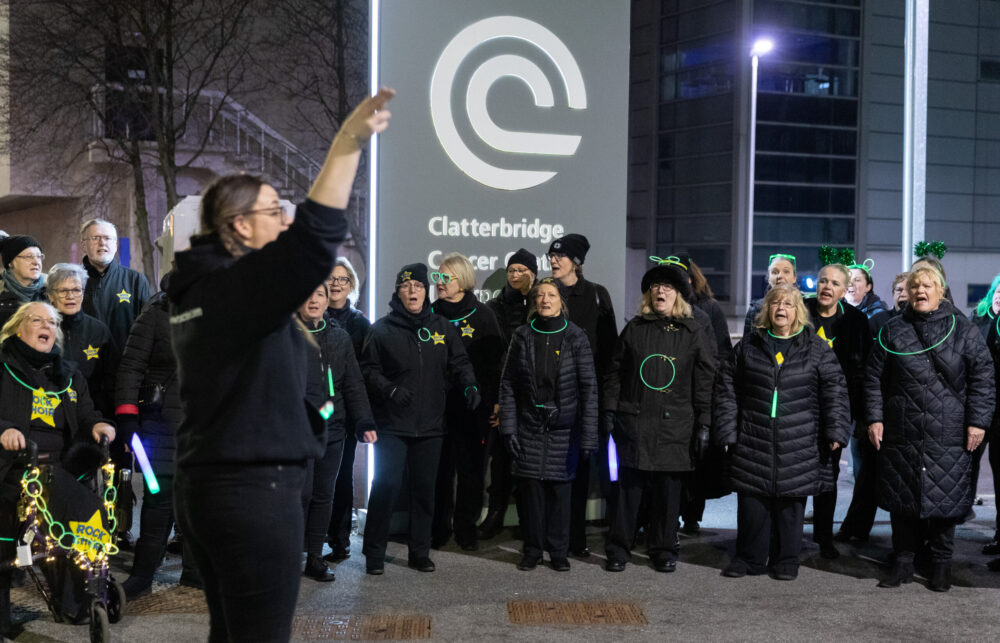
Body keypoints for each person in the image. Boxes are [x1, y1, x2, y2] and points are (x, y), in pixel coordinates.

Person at [166, 88, 393, 641]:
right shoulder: (234, 289)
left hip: (210, 486)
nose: (285, 218)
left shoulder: (197, 287)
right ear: (240, 226)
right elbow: (315, 239)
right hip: (252, 493)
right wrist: (348, 142)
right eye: (274, 210)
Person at [866, 265, 994, 591]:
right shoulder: (892, 331)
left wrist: (978, 423)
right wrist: (874, 418)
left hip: (948, 430)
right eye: (915, 286)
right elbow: (873, 380)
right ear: (907, 292)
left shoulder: (963, 330)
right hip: (901, 429)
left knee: (946, 500)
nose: (921, 290)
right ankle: (904, 562)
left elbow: (983, 380)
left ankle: (940, 564)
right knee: (902, 499)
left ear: (940, 290)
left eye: (928, 285)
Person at [715, 284, 850, 581]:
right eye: (775, 303)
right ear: (767, 310)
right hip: (753, 436)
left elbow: (835, 391)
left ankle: (787, 560)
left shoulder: (817, 349)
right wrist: (726, 430)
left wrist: (836, 430)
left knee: (791, 505)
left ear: (797, 311)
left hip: (800, 439)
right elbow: (727, 390)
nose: (781, 309)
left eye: (788, 304)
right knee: (753, 503)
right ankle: (749, 557)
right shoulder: (748, 346)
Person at [0, 301, 116, 633]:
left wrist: (100, 426)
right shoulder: (3, 366)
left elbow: (88, 415)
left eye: (52, 322)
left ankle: (78, 603)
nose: (47, 326)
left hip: (58, 470)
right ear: (18, 327)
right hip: (12, 467)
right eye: (38, 320)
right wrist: (4, 430)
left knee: (83, 515)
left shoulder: (69, 374)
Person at [360, 263, 478, 575]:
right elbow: (368, 370)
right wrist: (390, 389)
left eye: (418, 287)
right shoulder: (381, 329)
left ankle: (419, 552)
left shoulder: (441, 326)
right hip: (393, 425)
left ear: (426, 292)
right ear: (397, 292)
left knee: (425, 491)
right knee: (385, 486)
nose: (413, 292)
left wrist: (470, 384)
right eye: (406, 287)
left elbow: (459, 361)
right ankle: (374, 553)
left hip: (431, 426)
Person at [602, 259, 715, 572]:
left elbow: (705, 380)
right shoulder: (635, 329)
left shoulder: (693, 332)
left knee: (668, 494)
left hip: (676, 426)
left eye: (667, 287)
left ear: (678, 294)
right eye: (655, 286)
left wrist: (705, 423)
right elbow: (614, 372)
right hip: (634, 423)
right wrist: (610, 409)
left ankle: (664, 549)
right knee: (628, 492)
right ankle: (618, 548)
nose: (660, 291)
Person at [499, 278, 598, 571]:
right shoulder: (522, 335)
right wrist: (508, 427)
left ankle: (558, 552)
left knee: (559, 495)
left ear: (561, 301)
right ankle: (532, 550)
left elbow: (589, 389)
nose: (544, 299)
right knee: (531, 496)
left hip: (564, 431)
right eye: (540, 295)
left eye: (551, 295)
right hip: (529, 426)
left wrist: (589, 437)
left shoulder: (576, 336)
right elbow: (507, 384)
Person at [115, 272, 201, 598]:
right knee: (158, 501)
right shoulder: (156, 313)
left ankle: (195, 575)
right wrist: (127, 418)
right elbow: (131, 367)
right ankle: (142, 577)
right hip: (160, 426)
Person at [297, 283, 376, 582]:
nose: (314, 299)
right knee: (299, 494)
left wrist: (365, 422)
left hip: (334, 429)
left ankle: (315, 557)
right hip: (299, 430)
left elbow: (354, 384)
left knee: (322, 495)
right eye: (308, 294)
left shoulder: (339, 337)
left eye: (319, 293)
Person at [548, 233, 616, 557]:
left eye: (560, 256)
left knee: (582, 473)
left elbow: (610, 351)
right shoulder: (544, 295)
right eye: (550, 255)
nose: (553, 260)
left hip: (588, 399)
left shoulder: (597, 296)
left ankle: (576, 539)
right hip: (551, 401)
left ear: (576, 261)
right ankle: (552, 539)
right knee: (552, 470)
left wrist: (605, 403)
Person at [430, 253, 504, 551]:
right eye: (438, 277)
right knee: (440, 471)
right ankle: (438, 527)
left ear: (462, 280)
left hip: (474, 408)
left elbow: (496, 362)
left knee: (471, 472)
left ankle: (465, 527)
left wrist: (495, 402)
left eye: (445, 277)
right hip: (438, 407)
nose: (439, 283)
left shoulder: (483, 314)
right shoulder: (430, 312)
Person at [802, 264, 869, 557]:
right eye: (823, 281)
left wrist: (856, 415)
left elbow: (862, 371)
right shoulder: (801, 311)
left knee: (826, 476)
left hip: (835, 410)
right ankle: (789, 536)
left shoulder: (856, 321)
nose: (827, 287)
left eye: (834, 283)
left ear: (845, 291)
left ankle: (823, 538)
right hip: (799, 408)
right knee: (795, 475)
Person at [480, 248, 537, 539]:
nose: (515, 275)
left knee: (530, 460)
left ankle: (530, 520)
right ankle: (496, 513)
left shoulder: (543, 303)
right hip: (503, 393)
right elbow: (491, 358)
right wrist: (496, 399)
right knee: (500, 459)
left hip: (535, 396)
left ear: (533, 273)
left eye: (521, 270)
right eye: (511, 270)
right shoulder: (494, 307)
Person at [324, 257, 372, 563]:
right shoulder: (310, 317)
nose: (336, 284)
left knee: (342, 478)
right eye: (331, 278)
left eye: (342, 279)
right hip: (314, 412)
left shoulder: (360, 324)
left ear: (351, 285)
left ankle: (339, 541)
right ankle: (312, 537)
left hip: (345, 413)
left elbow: (363, 372)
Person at [47, 263, 118, 417]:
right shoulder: (42, 329)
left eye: (76, 290)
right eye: (63, 290)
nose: (70, 296)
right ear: (50, 296)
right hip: (50, 413)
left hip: (92, 414)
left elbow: (112, 378)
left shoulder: (99, 330)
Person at [80, 219, 152, 350]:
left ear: (115, 244)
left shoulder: (135, 281)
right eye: (95, 238)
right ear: (84, 245)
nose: (102, 243)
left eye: (107, 238)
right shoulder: (72, 281)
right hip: (83, 366)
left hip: (124, 365)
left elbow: (148, 329)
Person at [969, 274, 1000, 560]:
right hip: (979, 404)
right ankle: (960, 509)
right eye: (999, 290)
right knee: (969, 459)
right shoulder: (978, 319)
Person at [743, 254, 797, 337]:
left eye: (786, 272)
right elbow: (747, 346)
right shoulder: (755, 310)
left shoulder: (806, 306)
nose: (780, 276)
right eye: (774, 272)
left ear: (794, 278)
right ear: (768, 278)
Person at [0, 236, 48, 328]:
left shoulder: (51, 291)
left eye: (39, 257)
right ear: (10, 263)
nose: (36, 262)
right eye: (28, 257)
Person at [845, 261, 891, 333]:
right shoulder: (834, 310)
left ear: (868, 287)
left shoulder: (878, 314)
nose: (850, 284)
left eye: (857, 280)